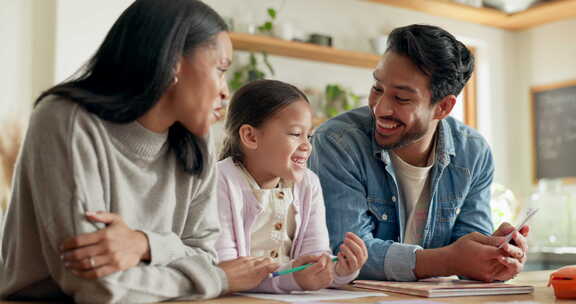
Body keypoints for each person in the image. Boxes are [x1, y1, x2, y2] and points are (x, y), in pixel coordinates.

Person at [0, 0, 278, 302]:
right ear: (173, 61)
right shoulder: (65, 120)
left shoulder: (194, 145)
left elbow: (204, 255)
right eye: (220, 69)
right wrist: (217, 278)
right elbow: (98, 285)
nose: (226, 91)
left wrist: (144, 244)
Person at [309, 24, 529, 283]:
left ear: (443, 107)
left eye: (401, 98)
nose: (380, 108)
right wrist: (448, 260)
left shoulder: (474, 152)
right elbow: (343, 255)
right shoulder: (338, 142)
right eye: (377, 88)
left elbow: (468, 248)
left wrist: (495, 256)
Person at [216, 80, 368, 292]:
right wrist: (293, 279)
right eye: (296, 134)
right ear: (250, 136)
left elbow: (315, 259)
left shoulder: (309, 184)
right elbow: (226, 272)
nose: (307, 146)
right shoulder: (219, 181)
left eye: (309, 135)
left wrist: (340, 270)